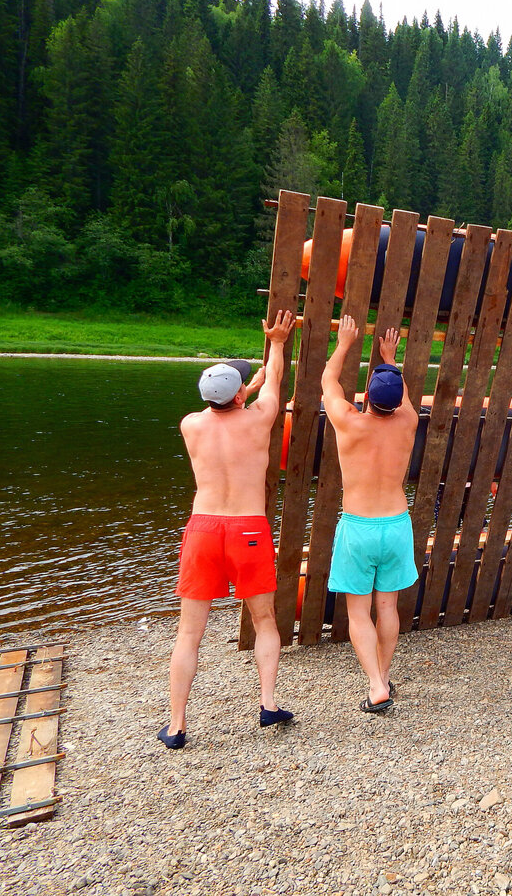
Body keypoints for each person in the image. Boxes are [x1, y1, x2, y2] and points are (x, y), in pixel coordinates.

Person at [160, 310, 297, 750]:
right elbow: (275, 380)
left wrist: (240, 392)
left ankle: (177, 725)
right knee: (264, 620)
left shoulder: (190, 425)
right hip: (248, 529)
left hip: (203, 528)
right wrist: (276, 342)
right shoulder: (259, 419)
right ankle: (268, 704)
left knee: (188, 633)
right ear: (240, 396)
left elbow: (219, 410)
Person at [322, 315, 419, 714]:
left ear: (369, 398)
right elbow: (406, 397)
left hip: (358, 525)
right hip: (396, 525)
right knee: (388, 608)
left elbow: (329, 383)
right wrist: (390, 360)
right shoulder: (409, 422)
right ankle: (384, 673)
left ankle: (377, 685)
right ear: (397, 400)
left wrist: (344, 344)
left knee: (358, 611)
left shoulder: (349, 422)